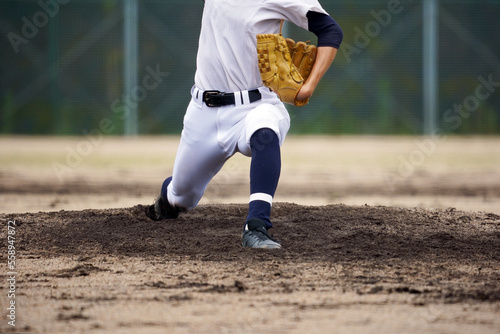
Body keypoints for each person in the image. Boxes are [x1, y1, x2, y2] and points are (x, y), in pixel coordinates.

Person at [145, 0, 343, 249]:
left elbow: (331, 30)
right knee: (181, 195)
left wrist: (309, 85)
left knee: (265, 130)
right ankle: (168, 199)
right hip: (203, 112)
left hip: (257, 103)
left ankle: (256, 225)